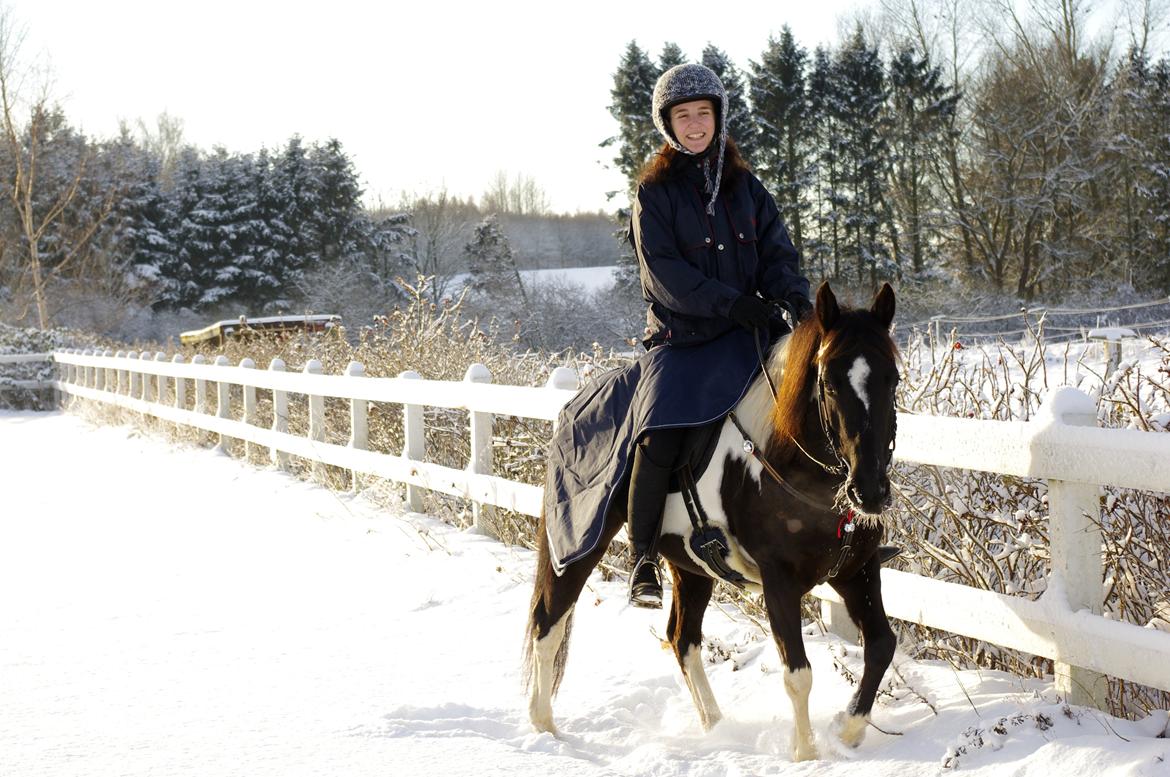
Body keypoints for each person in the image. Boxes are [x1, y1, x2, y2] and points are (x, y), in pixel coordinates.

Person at [624, 63, 813, 607]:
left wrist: (794, 300)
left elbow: (778, 253)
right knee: (658, 433)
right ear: (668, 126)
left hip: (751, 333)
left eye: (702, 113)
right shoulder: (654, 193)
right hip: (682, 339)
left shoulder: (748, 188)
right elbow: (664, 273)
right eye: (682, 116)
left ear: (718, 117)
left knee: (817, 406)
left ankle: (838, 535)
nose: (694, 125)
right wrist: (731, 303)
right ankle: (641, 559)